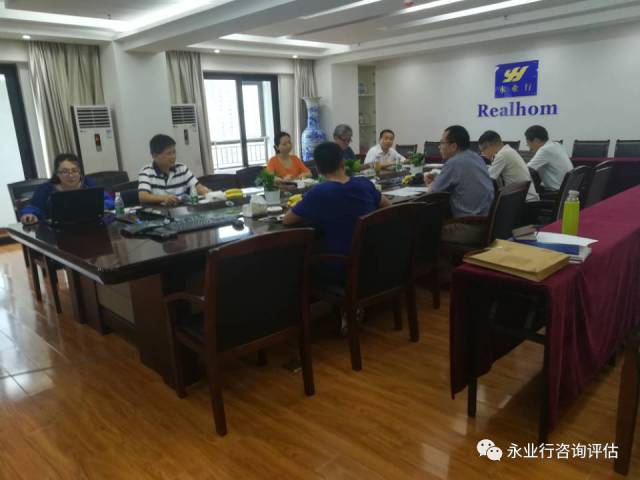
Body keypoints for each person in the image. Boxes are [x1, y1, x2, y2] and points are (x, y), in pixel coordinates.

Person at [424, 125, 494, 246]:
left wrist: (430, 184)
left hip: (469, 229)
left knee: (419, 228)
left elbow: (431, 194)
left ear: (453, 146)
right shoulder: (476, 157)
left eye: (442, 143)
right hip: (489, 225)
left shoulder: (454, 162)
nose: (439, 146)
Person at [20, 153, 114, 225]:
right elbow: (34, 208)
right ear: (57, 173)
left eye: (74, 171)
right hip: (55, 232)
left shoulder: (88, 183)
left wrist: (99, 206)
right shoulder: (45, 189)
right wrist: (29, 214)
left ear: (80, 172)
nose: (70, 175)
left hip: (89, 227)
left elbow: (109, 200)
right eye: (65, 172)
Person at [138, 134, 210, 206]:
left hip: (181, 210)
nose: (173, 156)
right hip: (159, 211)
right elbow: (143, 196)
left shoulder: (182, 168)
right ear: (155, 156)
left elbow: (198, 188)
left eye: (174, 152)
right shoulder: (146, 172)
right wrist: (164, 198)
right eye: (169, 153)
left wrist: (210, 194)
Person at [478, 130, 539, 202]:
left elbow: (488, 177)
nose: (482, 153)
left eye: (483, 150)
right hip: (528, 197)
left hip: (525, 201)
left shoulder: (501, 155)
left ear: (490, 146)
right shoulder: (508, 150)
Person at [525, 125, 572, 191]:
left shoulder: (545, 150)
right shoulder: (556, 145)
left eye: (528, 144)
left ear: (536, 140)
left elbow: (526, 170)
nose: (529, 148)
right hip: (567, 189)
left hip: (556, 192)